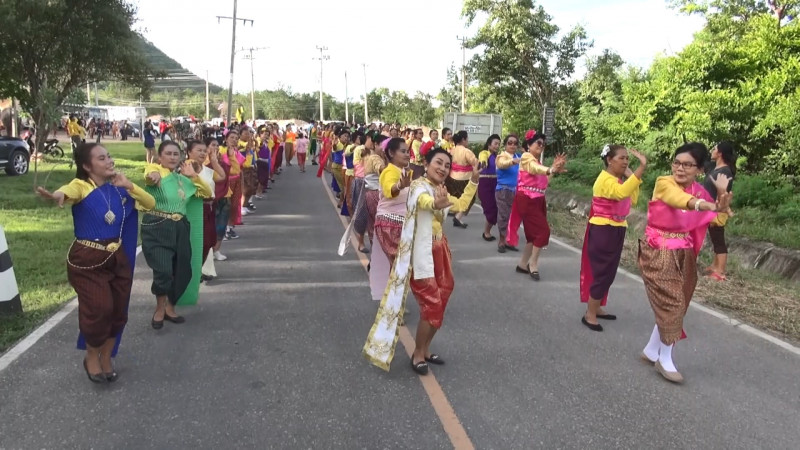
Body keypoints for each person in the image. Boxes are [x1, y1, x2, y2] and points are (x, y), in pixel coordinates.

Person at [36, 143, 155, 383]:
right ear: (87, 166)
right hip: (88, 261)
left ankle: (106, 356)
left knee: (119, 311)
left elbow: (150, 204)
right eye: (102, 158)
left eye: (109, 156)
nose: (109, 160)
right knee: (99, 309)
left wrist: (130, 185)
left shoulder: (119, 189)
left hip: (118, 258)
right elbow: (68, 191)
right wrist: (58, 195)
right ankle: (91, 356)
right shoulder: (82, 186)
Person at [363, 148, 480, 374]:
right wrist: (437, 204)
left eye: (447, 165)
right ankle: (417, 353)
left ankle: (425, 349)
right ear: (426, 164)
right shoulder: (418, 187)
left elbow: (460, 205)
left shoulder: (440, 189)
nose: (443, 168)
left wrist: (473, 182)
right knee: (432, 303)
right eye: (438, 163)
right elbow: (426, 203)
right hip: (421, 253)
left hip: (440, 249)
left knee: (444, 295)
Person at [638, 143, 732, 383]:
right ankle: (665, 358)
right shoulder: (664, 182)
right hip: (658, 249)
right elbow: (678, 200)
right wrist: (707, 204)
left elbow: (718, 218)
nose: (680, 168)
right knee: (673, 302)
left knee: (681, 301)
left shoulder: (700, 190)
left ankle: (651, 349)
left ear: (699, 169)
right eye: (677, 163)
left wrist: (721, 199)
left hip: (685, 252)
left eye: (687, 165)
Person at [141, 141, 212, 328]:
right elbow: (149, 177)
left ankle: (170, 307)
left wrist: (194, 176)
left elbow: (207, 193)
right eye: (168, 154)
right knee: (163, 269)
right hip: (157, 226)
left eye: (176, 154)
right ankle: (159, 308)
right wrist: (153, 174)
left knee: (183, 270)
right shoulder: (155, 170)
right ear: (160, 156)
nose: (173, 157)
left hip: (180, 226)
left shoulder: (184, 180)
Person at [579, 144, 647, 332]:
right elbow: (621, 194)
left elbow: (632, 198)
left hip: (617, 227)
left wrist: (631, 175)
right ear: (609, 160)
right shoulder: (605, 180)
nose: (625, 161)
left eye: (627, 159)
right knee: (602, 272)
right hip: (603, 229)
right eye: (621, 158)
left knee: (609, 271)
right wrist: (640, 170)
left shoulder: (618, 180)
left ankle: (597, 307)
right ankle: (589, 314)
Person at [507, 130, 567, 280]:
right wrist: (550, 169)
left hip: (538, 200)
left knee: (533, 235)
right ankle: (532, 263)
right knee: (543, 232)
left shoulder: (537, 162)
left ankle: (522, 264)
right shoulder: (527, 158)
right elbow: (535, 168)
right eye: (538, 143)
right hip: (527, 199)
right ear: (528, 145)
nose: (541, 146)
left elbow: (544, 182)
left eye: (543, 144)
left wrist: (553, 169)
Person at [187, 140, 226, 282]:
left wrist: (214, 161)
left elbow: (222, 177)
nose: (203, 153)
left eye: (205, 151)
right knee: (197, 242)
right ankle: (193, 272)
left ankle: (197, 270)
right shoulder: (184, 169)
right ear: (189, 152)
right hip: (193, 210)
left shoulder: (207, 170)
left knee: (209, 241)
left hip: (208, 210)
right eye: (199, 150)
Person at [704, 141, 736, 281]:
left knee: (718, 239)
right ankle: (715, 265)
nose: (712, 150)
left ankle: (720, 272)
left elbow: (722, 192)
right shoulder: (716, 168)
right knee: (714, 237)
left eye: (714, 149)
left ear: (720, 153)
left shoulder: (725, 171)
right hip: (711, 207)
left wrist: (718, 209)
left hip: (718, 208)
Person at [445, 131, 478, 228]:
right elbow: (475, 163)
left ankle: (454, 213)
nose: (468, 140)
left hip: (452, 177)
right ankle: (458, 216)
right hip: (465, 178)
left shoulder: (452, 150)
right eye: (467, 138)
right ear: (463, 139)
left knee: (455, 197)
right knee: (469, 198)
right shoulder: (466, 151)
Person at [495, 135, 522, 253]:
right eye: (510, 143)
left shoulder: (519, 157)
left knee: (514, 217)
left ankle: (509, 240)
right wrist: (512, 161)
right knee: (503, 216)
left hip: (517, 191)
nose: (512, 145)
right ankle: (501, 240)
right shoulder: (501, 157)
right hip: (503, 191)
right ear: (505, 145)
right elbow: (502, 165)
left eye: (515, 143)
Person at [478, 134, 501, 241]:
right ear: (489, 144)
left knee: (496, 209)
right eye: (495, 143)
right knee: (490, 209)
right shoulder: (484, 153)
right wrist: (483, 163)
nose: (497, 146)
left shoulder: (498, 157)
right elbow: (482, 158)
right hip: (485, 183)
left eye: (499, 144)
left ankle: (487, 232)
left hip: (496, 183)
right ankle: (486, 232)